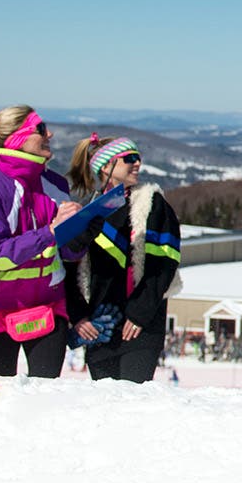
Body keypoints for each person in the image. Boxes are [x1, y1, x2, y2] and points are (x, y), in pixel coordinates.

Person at [0, 107, 83, 378]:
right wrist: (50, 232)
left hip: (49, 306)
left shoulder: (55, 184)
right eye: (41, 129)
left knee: (46, 395)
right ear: (17, 139)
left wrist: (80, 229)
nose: (49, 134)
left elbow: (67, 251)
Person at [65, 135, 181, 384]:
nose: (137, 163)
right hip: (100, 327)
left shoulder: (152, 205)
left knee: (132, 402)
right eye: (129, 158)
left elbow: (164, 263)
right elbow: (69, 269)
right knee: (105, 404)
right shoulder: (88, 211)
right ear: (105, 167)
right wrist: (79, 316)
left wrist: (140, 312)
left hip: (139, 326)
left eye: (138, 158)